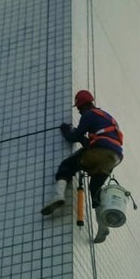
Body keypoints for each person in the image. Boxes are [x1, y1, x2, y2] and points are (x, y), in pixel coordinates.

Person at [41, 90, 123, 243]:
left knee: (67, 165)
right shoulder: (106, 117)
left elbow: (75, 136)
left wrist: (66, 130)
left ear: (84, 105)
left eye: (79, 108)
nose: (79, 111)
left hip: (100, 152)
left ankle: (58, 195)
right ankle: (103, 227)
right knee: (95, 190)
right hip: (113, 158)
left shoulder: (89, 114)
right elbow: (90, 140)